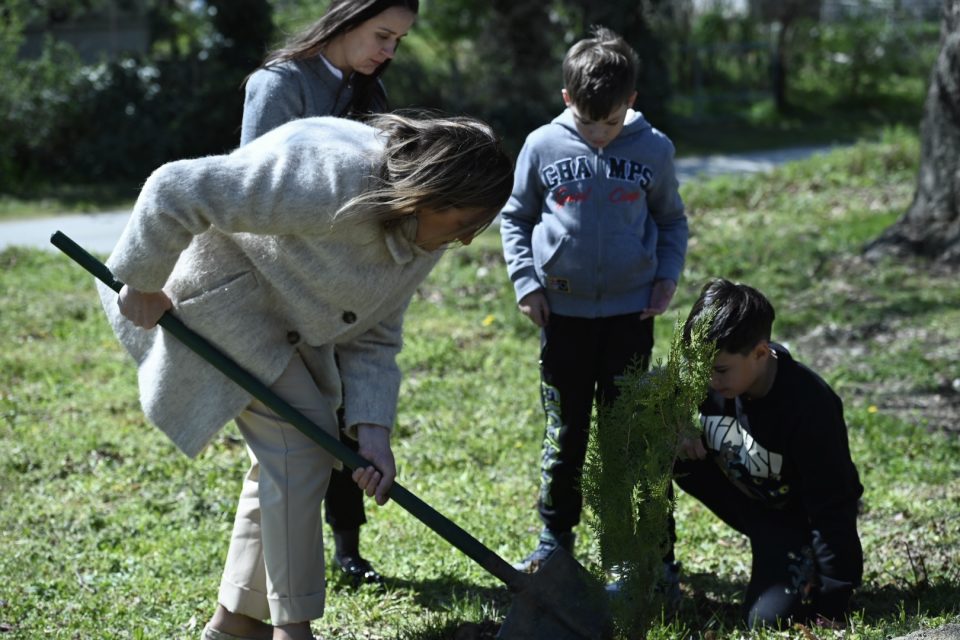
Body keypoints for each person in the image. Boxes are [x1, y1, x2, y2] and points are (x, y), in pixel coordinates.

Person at [97, 112, 513, 640]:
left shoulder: (419, 238)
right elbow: (177, 187)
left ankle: (235, 624)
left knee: (286, 460)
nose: (470, 240)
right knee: (300, 445)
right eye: (464, 224)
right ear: (433, 196)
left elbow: (376, 331)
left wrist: (374, 432)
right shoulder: (333, 181)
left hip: (274, 326)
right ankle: (293, 630)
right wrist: (141, 280)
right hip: (203, 297)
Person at [240, 0, 419, 586]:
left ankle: (347, 549)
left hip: (349, 281)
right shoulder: (278, 85)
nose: (387, 52)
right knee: (296, 438)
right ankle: (274, 583)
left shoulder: (365, 92)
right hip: (284, 286)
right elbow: (253, 190)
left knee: (346, 414)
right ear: (346, 19)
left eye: (397, 42)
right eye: (382, 35)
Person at [499, 25, 688, 573]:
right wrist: (527, 282)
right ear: (567, 101)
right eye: (587, 121)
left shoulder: (654, 149)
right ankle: (555, 538)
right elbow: (516, 216)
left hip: (632, 316)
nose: (599, 134)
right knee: (567, 433)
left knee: (626, 432)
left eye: (610, 122)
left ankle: (633, 547)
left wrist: (666, 277)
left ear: (630, 102)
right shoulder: (541, 145)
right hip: (564, 319)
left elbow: (671, 221)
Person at [674, 278, 864, 627]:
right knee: (650, 443)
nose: (707, 379)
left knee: (767, 621)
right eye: (699, 367)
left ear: (760, 353)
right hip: (748, 502)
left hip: (794, 521)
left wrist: (834, 599)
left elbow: (833, 504)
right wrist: (678, 426)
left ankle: (795, 559)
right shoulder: (708, 371)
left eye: (719, 370)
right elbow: (659, 397)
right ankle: (656, 574)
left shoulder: (809, 406)